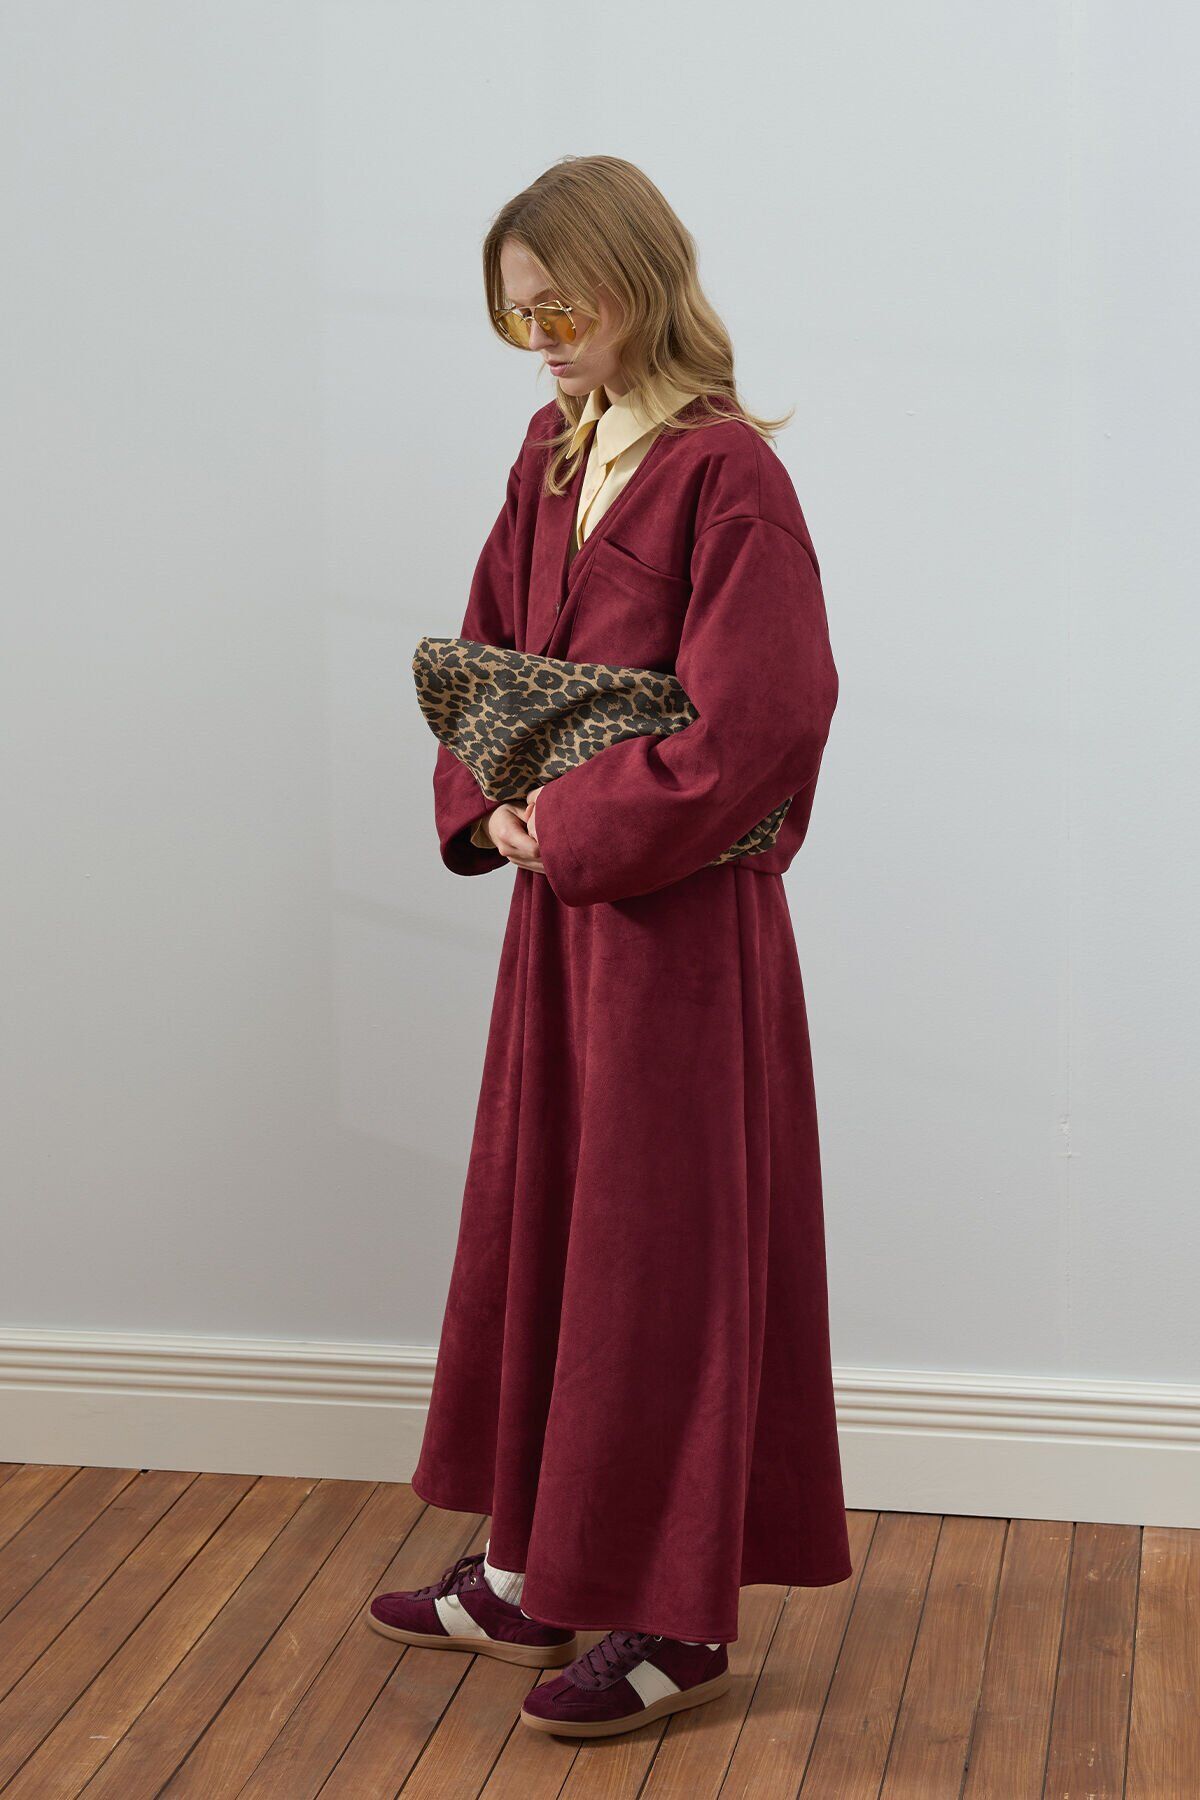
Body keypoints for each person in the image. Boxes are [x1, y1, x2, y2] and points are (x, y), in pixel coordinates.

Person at [367, 154, 852, 1740]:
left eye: (559, 308)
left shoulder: (727, 477)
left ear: (638, 283)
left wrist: (570, 823)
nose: (540, 342)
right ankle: (533, 1569)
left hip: (679, 932)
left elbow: (765, 719)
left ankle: (676, 1618)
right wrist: (494, 806)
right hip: (561, 924)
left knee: (660, 1258)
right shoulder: (550, 452)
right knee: (550, 1228)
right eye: (517, 318)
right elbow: (484, 662)